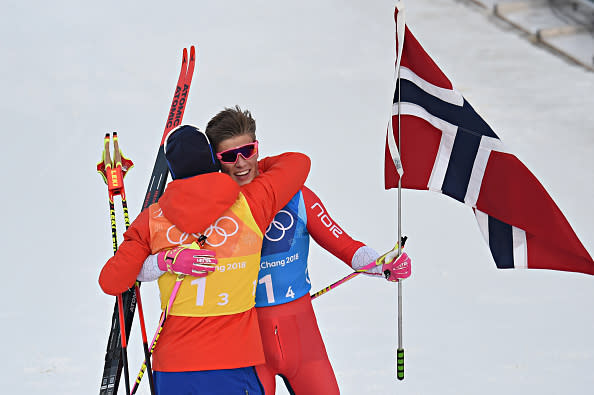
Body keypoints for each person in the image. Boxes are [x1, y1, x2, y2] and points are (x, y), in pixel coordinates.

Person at [203, 106, 412, 394]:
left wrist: (382, 263)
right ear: (217, 160)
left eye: (248, 151)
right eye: (229, 156)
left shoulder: (297, 196)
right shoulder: (213, 209)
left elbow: (343, 243)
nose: (241, 163)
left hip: (303, 340)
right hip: (246, 345)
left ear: (257, 148)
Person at [99, 122, 311, 394]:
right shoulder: (252, 202)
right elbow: (298, 163)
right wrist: (243, 165)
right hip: (236, 361)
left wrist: (164, 261)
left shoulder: (152, 219)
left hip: (175, 365)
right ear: (213, 161)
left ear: (173, 172)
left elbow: (112, 281)